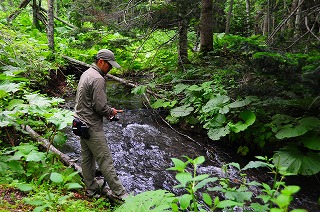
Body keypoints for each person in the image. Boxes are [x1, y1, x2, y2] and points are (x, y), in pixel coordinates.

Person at [73, 49, 128, 199]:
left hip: (80, 123)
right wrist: (111, 111)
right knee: (105, 160)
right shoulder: (98, 78)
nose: (110, 69)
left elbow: (88, 102)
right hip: (91, 126)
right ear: (101, 62)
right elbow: (100, 107)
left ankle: (91, 189)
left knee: (87, 158)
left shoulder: (87, 73)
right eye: (109, 65)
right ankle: (121, 194)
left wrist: (108, 111)